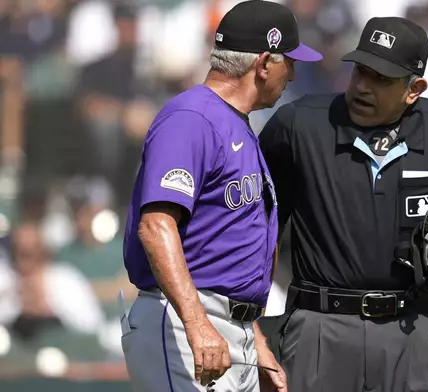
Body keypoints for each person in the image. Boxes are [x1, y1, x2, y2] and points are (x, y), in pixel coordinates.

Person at [258, 16, 428, 391]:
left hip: (411, 327)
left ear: (414, 88)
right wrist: (254, 327)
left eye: (381, 78)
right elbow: (261, 230)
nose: (363, 86)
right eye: (360, 71)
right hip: (320, 325)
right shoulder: (298, 125)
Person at [120, 2, 322, 392]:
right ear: (264, 63)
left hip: (229, 326)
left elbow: (230, 250)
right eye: (289, 62)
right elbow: (156, 225)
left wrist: (255, 339)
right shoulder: (191, 118)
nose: (294, 74)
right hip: (185, 322)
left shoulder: (235, 122)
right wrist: (197, 324)